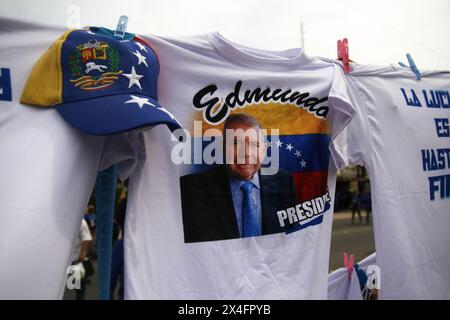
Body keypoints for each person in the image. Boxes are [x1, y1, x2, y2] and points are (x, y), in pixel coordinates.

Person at [180, 113, 296, 243]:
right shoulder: (193, 189)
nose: (245, 153)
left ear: (264, 151)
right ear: (222, 148)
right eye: (235, 143)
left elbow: (291, 239)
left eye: (255, 145)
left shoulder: (284, 182)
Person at [70, 219, 93, 300]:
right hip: (65, 262)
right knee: (68, 286)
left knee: (78, 288)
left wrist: (82, 255)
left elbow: (86, 239)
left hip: (76, 261)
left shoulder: (81, 221)